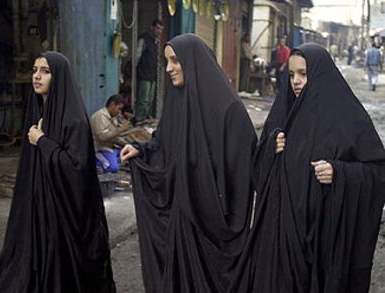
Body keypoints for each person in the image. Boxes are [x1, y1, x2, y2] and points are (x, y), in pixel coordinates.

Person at [229, 43, 385, 293]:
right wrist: (271, 147)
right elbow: (258, 172)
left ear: (320, 74)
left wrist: (340, 172)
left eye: (303, 74)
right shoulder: (283, 112)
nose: (296, 82)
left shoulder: (347, 117)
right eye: (291, 75)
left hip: (323, 238)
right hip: (281, 241)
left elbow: (377, 172)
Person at [120, 33, 257, 293]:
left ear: (193, 62)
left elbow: (241, 172)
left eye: (175, 61)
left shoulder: (230, 111)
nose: (169, 68)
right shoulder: (177, 103)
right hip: (183, 218)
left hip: (211, 222)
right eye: (167, 62)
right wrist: (141, 151)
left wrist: (204, 186)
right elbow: (164, 145)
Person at [0, 52, 116, 292]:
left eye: (45, 72)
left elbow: (76, 168)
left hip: (65, 211)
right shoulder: (37, 112)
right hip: (40, 205)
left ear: (59, 77)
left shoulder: (74, 120)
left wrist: (43, 141)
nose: (37, 76)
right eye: (35, 70)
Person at [90, 94, 131, 173]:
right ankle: (96, 163)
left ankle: (113, 159)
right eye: (118, 109)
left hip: (112, 147)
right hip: (100, 149)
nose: (119, 112)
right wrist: (120, 129)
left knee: (130, 152)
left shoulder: (112, 117)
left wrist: (127, 144)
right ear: (112, 105)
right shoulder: (100, 116)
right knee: (113, 168)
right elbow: (102, 137)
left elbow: (114, 137)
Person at [134, 19, 164, 125]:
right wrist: (134, 70)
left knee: (150, 99)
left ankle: (145, 118)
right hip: (144, 73)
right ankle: (139, 118)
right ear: (152, 27)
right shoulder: (144, 39)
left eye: (161, 29)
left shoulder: (156, 41)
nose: (159, 31)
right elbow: (137, 55)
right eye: (158, 28)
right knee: (143, 98)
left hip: (152, 74)